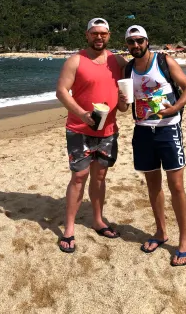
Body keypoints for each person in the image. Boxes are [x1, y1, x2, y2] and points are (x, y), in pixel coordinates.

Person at [120, 25, 186, 266]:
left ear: (147, 41)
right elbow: (124, 108)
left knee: (176, 186)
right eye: (131, 42)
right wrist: (121, 101)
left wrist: (174, 109)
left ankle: (184, 241)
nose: (135, 45)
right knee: (153, 186)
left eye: (139, 41)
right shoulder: (129, 69)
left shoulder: (163, 61)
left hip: (168, 129)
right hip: (142, 131)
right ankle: (161, 232)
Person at [55, 17, 128, 253]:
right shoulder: (75, 60)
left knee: (99, 177)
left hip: (108, 130)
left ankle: (98, 220)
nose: (99, 37)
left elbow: (128, 90)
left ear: (109, 36)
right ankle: (68, 229)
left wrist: (127, 103)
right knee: (79, 176)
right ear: (87, 35)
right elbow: (61, 91)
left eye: (103, 34)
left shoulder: (118, 61)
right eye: (94, 33)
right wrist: (82, 113)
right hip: (79, 129)